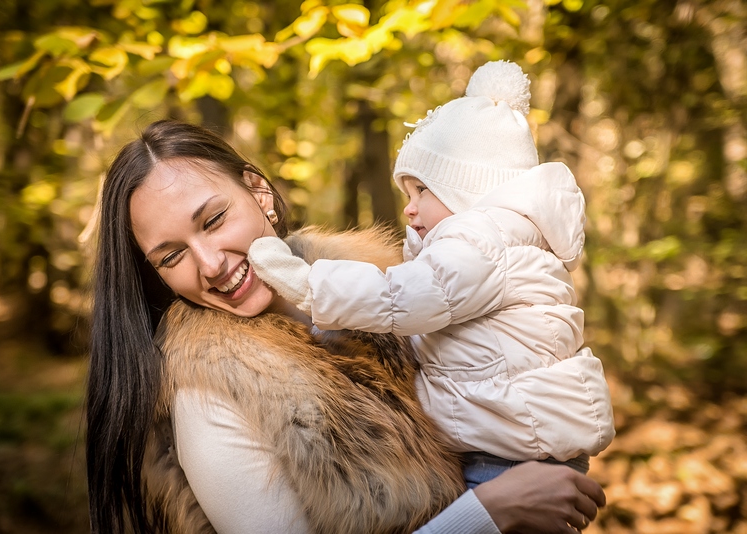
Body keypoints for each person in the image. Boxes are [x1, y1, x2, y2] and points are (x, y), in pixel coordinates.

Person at [87, 118, 606, 534]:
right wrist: (488, 514)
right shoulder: (207, 394)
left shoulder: (393, 283)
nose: (210, 264)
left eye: (214, 220)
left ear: (259, 192)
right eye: (172, 255)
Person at [248, 60, 616, 488]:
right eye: (407, 192)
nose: (409, 208)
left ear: (469, 192)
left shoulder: (479, 242)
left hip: (510, 454)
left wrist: (307, 284)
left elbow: (399, 298)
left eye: (422, 190)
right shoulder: (500, 240)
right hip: (515, 435)